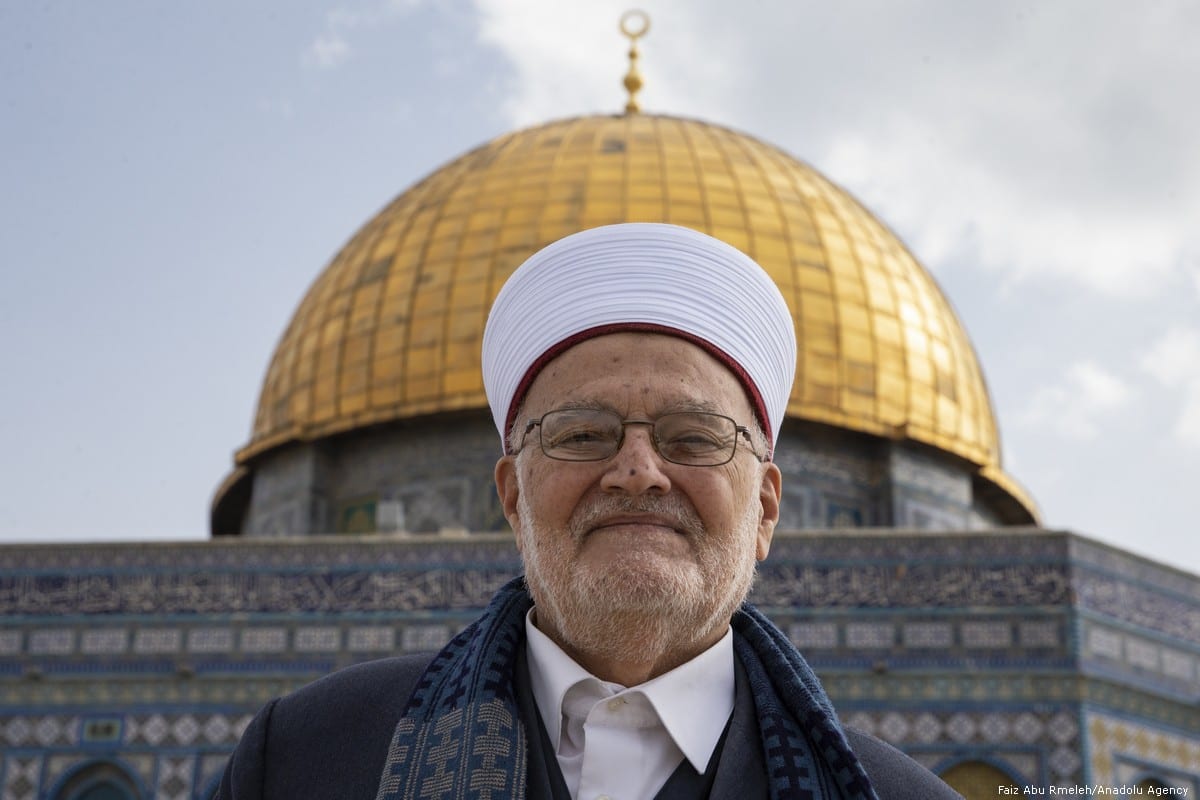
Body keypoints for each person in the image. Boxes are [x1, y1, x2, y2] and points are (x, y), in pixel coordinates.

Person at [217, 223, 961, 799]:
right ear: (511, 496)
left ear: (766, 507)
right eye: (581, 436)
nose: (637, 473)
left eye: (693, 439)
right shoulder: (315, 757)